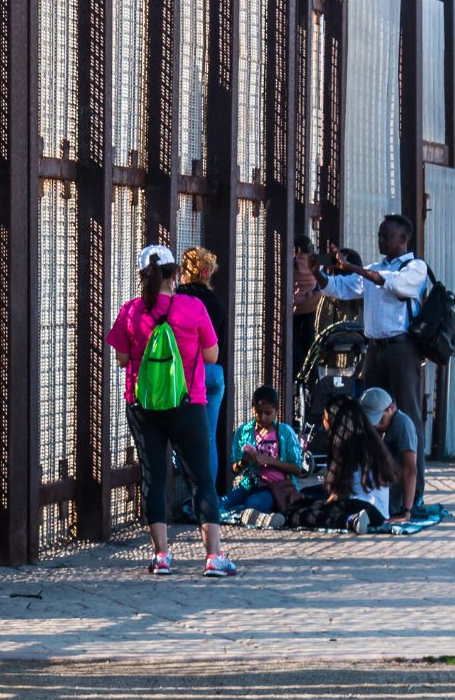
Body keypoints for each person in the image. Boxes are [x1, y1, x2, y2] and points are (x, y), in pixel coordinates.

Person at [105, 245, 238, 578]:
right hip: (187, 403)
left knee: (153, 478)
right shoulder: (192, 307)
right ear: (175, 272)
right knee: (201, 479)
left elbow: (121, 359)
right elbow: (211, 356)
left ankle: (162, 556)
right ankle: (212, 558)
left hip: (143, 405)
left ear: (143, 276)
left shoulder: (132, 310)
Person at [307, 215, 430, 515]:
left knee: (407, 418)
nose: (380, 240)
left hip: (402, 349)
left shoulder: (415, 268)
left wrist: (351, 267)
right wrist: (319, 274)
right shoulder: (374, 269)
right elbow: (342, 287)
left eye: (386, 236)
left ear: (404, 239)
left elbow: (392, 284)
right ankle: (374, 486)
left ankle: (415, 495)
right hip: (375, 348)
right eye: (379, 235)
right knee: (369, 416)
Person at [286, 393, 399, 534]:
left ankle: (350, 521)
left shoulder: (345, 444)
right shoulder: (369, 439)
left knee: (302, 514)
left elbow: (339, 493)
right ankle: (352, 519)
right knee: (307, 501)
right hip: (380, 513)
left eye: (325, 416)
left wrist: (323, 505)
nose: (323, 421)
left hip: (361, 507)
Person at [175, 247, 227, 511]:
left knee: (174, 434)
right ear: (207, 272)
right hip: (214, 374)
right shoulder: (215, 303)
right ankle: (208, 500)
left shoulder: (178, 298)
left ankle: (184, 493)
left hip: (188, 373)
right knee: (208, 438)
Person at [220, 385, 306, 528]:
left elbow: (297, 469)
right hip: (250, 484)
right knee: (221, 503)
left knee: (253, 503)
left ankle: (249, 515)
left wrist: (269, 460)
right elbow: (234, 470)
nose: (263, 417)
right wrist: (244, 462)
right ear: (253, 409)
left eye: (268, 413)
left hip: (275, 486)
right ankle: (255, 516)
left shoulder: (285, 432)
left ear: (276, 411)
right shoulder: (244, 432)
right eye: (259, 412)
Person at [357, 387, 419, 525]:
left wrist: (406, 511)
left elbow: (410, 470)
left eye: (379, 419)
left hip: (391, 499)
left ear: (390, 408)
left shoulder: (403, 423)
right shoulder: (376, 427)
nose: (376, 425)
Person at [292, 236, 324, 381]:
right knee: (310, 348)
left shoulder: (293, 261)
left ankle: (298, 378)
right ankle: (311, 380)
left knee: (295, 348)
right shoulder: (315, 261)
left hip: (295, 310)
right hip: (311, 309)